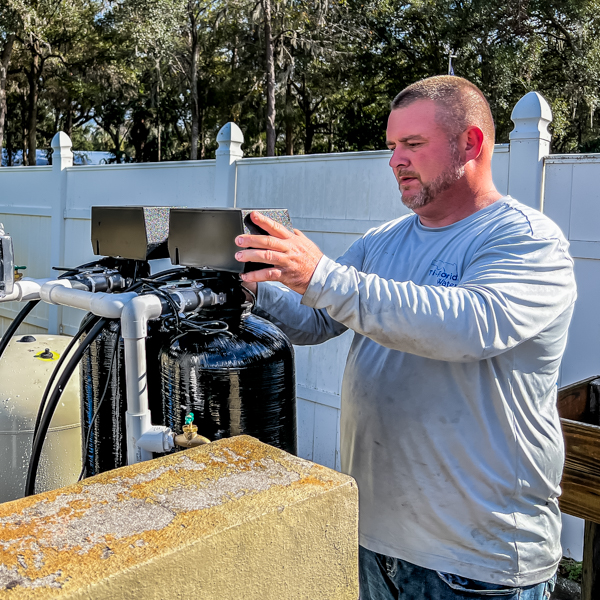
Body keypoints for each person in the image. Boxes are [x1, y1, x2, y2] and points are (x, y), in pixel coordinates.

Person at [234, 76, 576, 600]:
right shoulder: (382, 241)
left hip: (476, 562)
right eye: (392, 146)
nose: (395, 160)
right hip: (377, 541)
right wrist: (250, 287)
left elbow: (470, 326)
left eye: (413, 145)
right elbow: (316, 320)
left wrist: (322, 276)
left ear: (471, 143)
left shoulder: (526, 240)